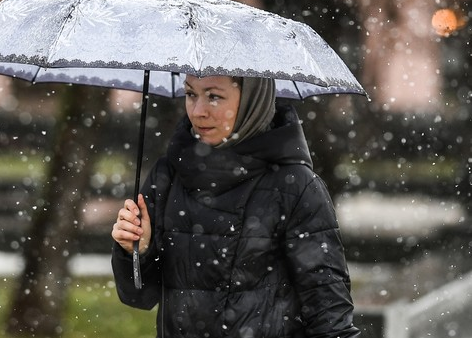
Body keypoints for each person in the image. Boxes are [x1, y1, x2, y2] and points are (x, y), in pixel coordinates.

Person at [111, 75, 360, 338]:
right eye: (191, 94)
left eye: (214, 96)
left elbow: (330, 318)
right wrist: (137, 250)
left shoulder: (296, 187)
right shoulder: (169, 174)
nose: (198, 111)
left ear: (252, 100)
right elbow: (138, 296)